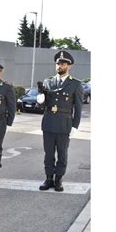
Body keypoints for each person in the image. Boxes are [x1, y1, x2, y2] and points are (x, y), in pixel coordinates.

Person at [36, 50, 83, 192]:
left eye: (62, 64)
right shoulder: (48, 82)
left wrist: (75, 125)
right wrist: (40, 101)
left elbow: (78, 107)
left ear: (69, 66)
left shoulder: (75, 84)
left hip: (64, 124)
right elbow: (42, 105)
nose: (59, 66)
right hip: (49, 122)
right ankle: (48, 178)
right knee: (48, 154)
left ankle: (58, 180)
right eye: (58, 63)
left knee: (62, 154)